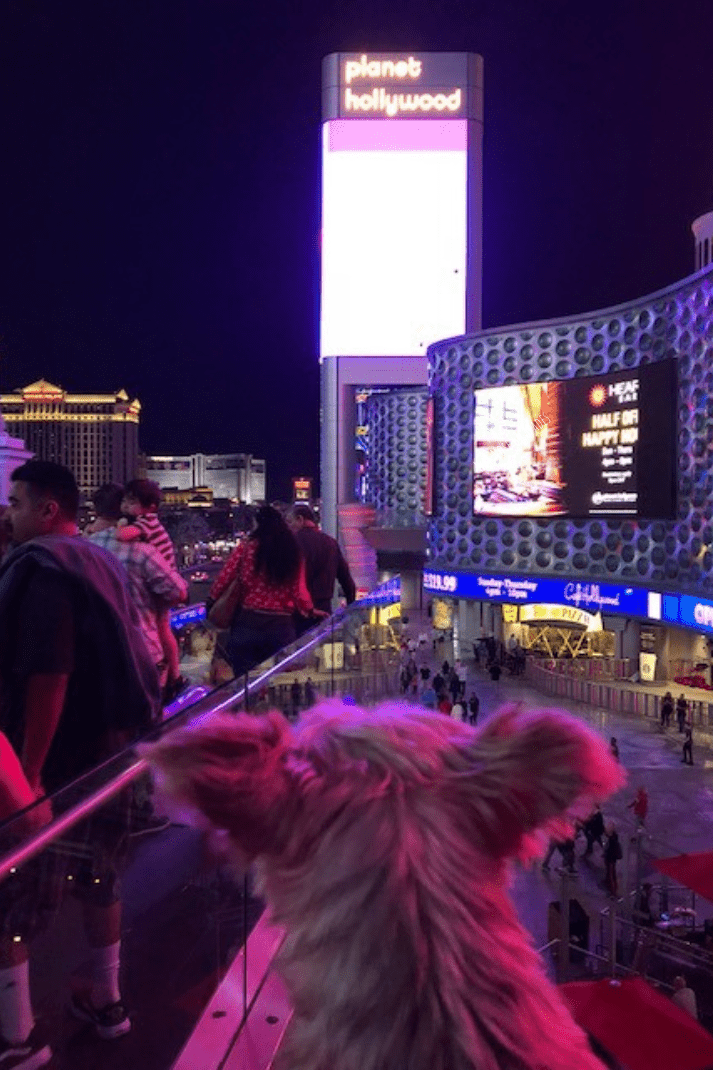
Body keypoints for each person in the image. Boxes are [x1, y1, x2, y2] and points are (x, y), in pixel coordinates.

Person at [0, 461, 160, 1059]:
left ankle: (17, 1035)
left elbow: (49, 679)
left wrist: (30, 778)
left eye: (15, 501)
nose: (8, 512)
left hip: (62, 759)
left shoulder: (44, 570)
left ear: (46, 510)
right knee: (102, 876)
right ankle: (107, 998)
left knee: (13, 895)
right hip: (111, 748)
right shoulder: (100, 562)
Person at [88, 484, 188, 689]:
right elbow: (180, 593)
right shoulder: (141, 549)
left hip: (95, 654)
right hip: (142, 656)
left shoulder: (84, 546)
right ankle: (175, 679)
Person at [208, 505, 318, 677]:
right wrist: (310, 610)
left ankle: (249, 703)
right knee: (281, 679)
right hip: (281, 627)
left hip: (249, 622)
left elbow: (225, 578)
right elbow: (299, 590)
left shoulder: (247, 548)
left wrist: (213, 598)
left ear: (259, 525)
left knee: (244, 680)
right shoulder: (292, 551)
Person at [115, 479, 186, 702]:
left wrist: (119, 525)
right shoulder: (145, 520)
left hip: (163, 585)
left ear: (151, 507)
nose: (126, 506)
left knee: (163, 627)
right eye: (125, 500)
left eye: (132, 502)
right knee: (162, 627)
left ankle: (174, 675)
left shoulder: (147, 521)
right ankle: (173, 674)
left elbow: (122, 536)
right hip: (158, 582)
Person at [288, 505, 356, 618]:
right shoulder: (331, 543)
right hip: (324, 609)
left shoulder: (292, 542)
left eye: (290, 522)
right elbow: (347, 581)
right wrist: (351, 608)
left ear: (300, 519)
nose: (289, 527)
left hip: (297, 609)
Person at [604, 825, 622, 898]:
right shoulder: (614, 839)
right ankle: (614, 890)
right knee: (612, 875)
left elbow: (610, 851)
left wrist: (606, 856)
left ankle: (613, 892)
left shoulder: (612, 841)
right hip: (612, 860)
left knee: (611, 875)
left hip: (610, 860)